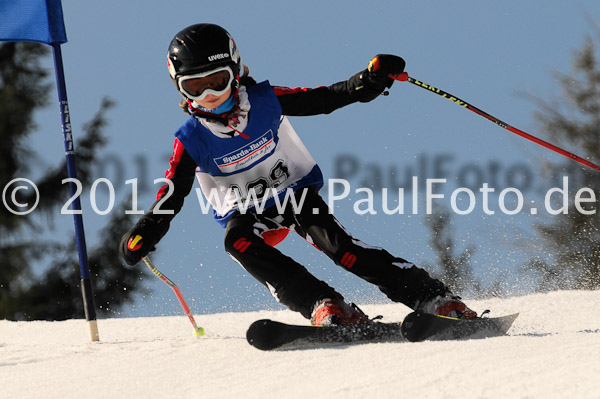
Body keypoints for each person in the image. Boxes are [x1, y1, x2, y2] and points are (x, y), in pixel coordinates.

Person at [119, 23, 477, 326]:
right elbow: (172, 194)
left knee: (342, 250)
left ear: (236, 71)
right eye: (196, 87)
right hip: (247, 211)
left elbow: (323, 98)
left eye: (218, 80)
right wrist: (147, 230)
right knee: (237, 243)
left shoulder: (261, 100)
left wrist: (368, 81)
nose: (210, 94)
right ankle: (324, 304)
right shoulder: (192, 139)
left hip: (293, 194)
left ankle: (435, 300)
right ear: (180, 89)